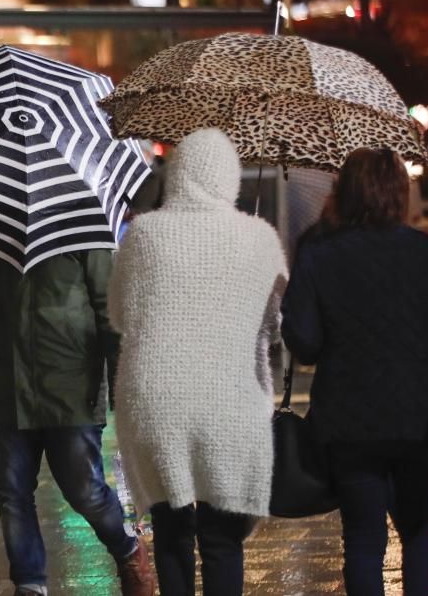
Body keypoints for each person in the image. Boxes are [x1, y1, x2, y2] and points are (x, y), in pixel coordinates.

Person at [281, 147, 428, 595]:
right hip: (424, 416)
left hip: (350, 421)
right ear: (399, 194)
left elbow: (305, 345)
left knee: (363, 539)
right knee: (422, 526)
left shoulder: (318, 254)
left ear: (346, 193)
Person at [107, 128, 287, 596]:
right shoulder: (260, 237)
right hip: (230, 401)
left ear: (177, 174)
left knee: (172, 532)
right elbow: (273, 324)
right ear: (231, 180)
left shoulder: (143, 233)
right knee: (222, 538)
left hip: (155, 399)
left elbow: (118, 316)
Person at [0, 248, 155, 593]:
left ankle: (127, 548)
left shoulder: (81, 226)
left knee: (85, 491)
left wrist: (124, 385)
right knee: (13, 494)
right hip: (10, 384)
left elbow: (109, 309)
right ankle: (30, 583)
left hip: (70, 384)